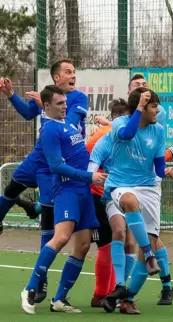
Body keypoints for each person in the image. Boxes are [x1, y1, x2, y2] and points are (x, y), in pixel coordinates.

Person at [0, 59, 88, 303]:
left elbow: (68, 125)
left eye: (74, 72)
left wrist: (44, 107)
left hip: (55, 164)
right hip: (39, 156)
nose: (73, 75)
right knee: (11, 187)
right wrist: (10, 95)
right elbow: (29, 113)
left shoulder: (78, 99)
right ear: (56, 77)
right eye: (68, 72)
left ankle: (41, 280)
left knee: (47, 221)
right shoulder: (46, 96)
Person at [20, 85, 106, 314]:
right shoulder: (49, 131)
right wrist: (91, 176)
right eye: (59, 104)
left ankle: (59, 299)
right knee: (61, 237)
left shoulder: (68, 122)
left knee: (84, 244)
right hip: (67, 190)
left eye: (65, 103)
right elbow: (56, 166)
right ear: (46, 106)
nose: (64, 106)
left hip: (84, 191)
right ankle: (29, 288)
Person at [100, 88, 173, 314]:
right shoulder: (119, 123)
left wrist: (168, 170)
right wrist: (140, 107)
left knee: (145, 254)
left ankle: (124, 298)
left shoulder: (159, 131)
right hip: (120, 183)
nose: (157, 110)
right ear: (140, 108)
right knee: (130, 202)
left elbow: (159, 168)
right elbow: (127, 135)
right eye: (153, 106)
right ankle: (151, 256)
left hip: (149, 188)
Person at [85, 99, 129, 307]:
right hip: (97, 195)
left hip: (118, 195)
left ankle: (111, 292)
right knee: (103, 242)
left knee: (118, 240)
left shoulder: (130, 136)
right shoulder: (100, 138)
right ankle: (101, 294)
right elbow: (86, 164)